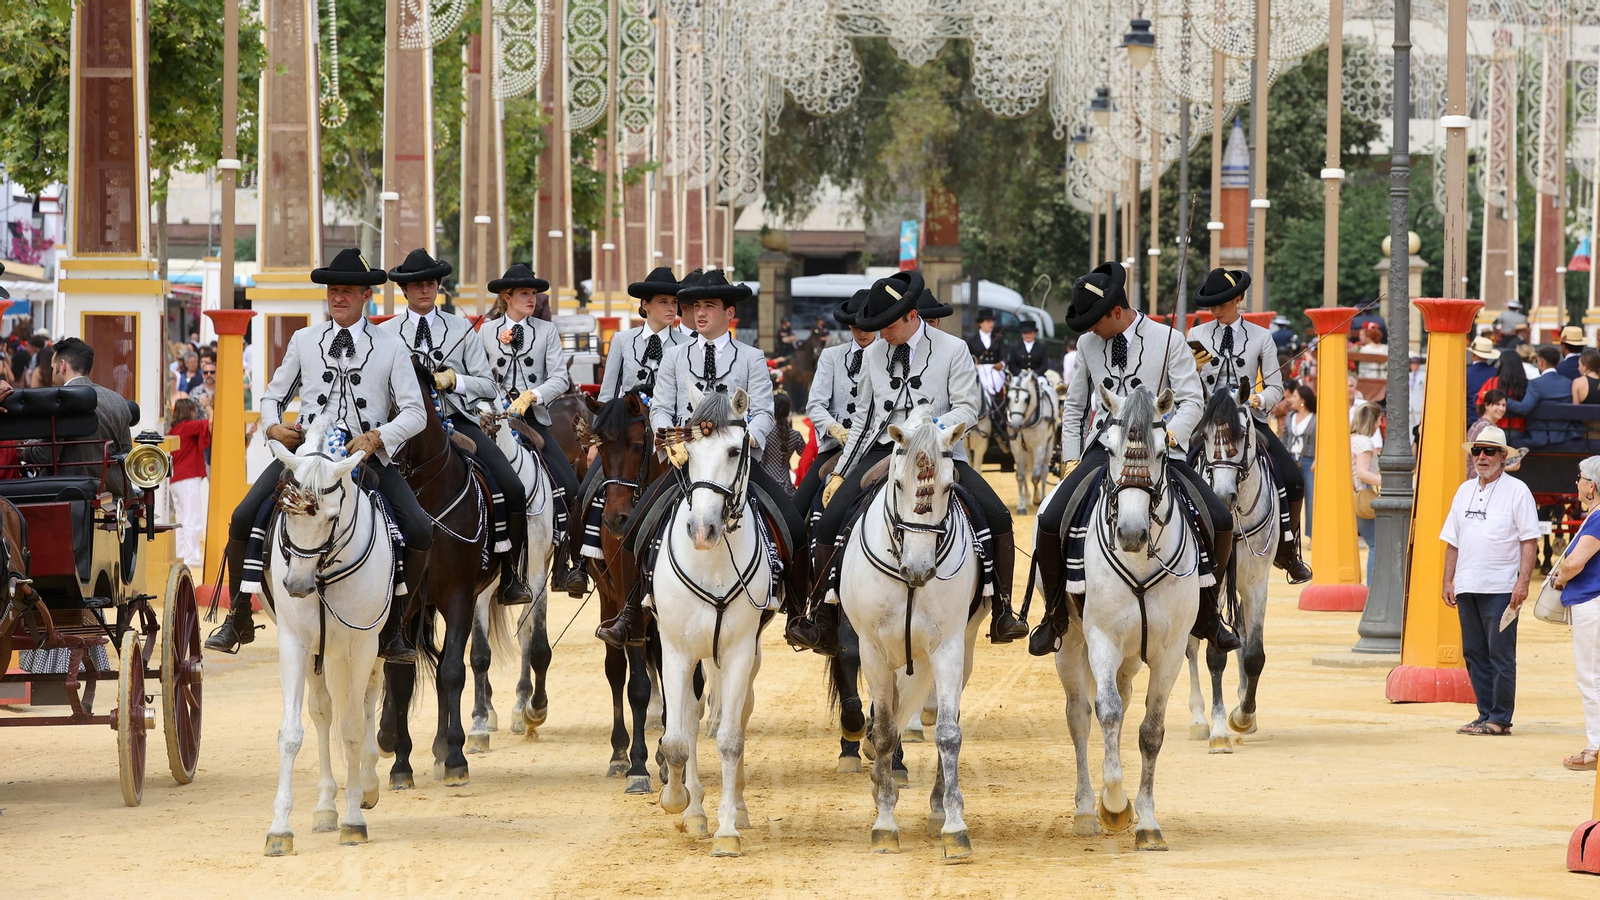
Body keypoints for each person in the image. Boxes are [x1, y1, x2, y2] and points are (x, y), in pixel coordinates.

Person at [206, 248, 431, 662]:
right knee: (242, 516)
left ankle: (396, 626)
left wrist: (377, 436)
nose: (338, 297)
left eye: (347, 290)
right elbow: (273, 395)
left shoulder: (392, 346)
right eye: (333, 290)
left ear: (366, 295)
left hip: (363, 460)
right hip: (306, 455)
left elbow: (416, 412)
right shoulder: (304, 340)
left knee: (418, 530)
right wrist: (273, 426)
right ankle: (238, 614)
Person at [787, 269, 1028, 654]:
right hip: (883, 451)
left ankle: (1003, 608)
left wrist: (929, 433)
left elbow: (969, 407)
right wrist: (841, 472)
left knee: (997, 516)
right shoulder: (873, 354)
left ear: (911, 316)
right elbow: (864, 420)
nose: (881, 333)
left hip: (941, 452)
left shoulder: (953, 349)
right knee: (829, 521)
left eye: (887, 325)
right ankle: (823, 613)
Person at [1031, 261, 1239, 657]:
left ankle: (1209, 612)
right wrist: (1072, 458)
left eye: (1095, 320)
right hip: (1104, 449)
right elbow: (1074, 408)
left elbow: (1193, 399)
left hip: (1160, 448)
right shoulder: (1087, 345)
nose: (1091, 329)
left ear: (1115, 311)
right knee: (1052, 517)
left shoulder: (1168, 339)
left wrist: (1171, 436)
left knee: (1220, 518)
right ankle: (1055, 613)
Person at [596, 270, 810, 648]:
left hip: (733, 460)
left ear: (730, 311)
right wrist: (669, 441)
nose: (699, 313)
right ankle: (631, 611)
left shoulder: (752, 357)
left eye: (709, 305)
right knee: (636, 527)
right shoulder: (676, 356)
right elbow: (661, 407)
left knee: (791, 521)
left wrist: (746, 440)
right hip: (686, 463)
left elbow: (762, 411)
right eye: (695, 305)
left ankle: (797, 612)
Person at [379, 248, 534, 605]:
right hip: (402, 427)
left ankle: (511, 573)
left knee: (510, 485)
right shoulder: (386, 333)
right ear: (405, 290)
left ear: (438, 287)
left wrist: (454, 381)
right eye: (417, 285)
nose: (425, 290)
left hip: (457, 419)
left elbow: (489, 385)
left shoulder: (460, 327)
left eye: (431, 283)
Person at [1187, 267, 1311, 581]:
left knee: (1294, 479)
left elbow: (1275, 389)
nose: (1215, 310)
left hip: (1249, 421)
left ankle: (1287, 549)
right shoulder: (1197, 336)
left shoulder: (1261, 337)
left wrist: (1256, 400)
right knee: (1179, 468)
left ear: (1238, 299)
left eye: (1223, 303)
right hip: (1208, 423)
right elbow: (1187, 383)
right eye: (1212, 304)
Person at [478, 263, 586, 596]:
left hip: (533, 420)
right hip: (493, 421)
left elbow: (560, 377)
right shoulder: (484, 332)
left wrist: (533, 395)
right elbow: (478, 377)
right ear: (506, 297)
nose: (533, 298)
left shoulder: (546, 331)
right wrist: (489, 406)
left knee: (570, 488)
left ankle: (567, 564)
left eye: (534, 293)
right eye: (525, 293)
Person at [1442, 425, 1538, 737]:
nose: (1482, 457)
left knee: (1501, 654)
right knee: (1474, 653)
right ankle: (1485, 713)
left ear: (1502, 456)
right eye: (1477, 451)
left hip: (1501, 588)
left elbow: (1529, 541)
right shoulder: (1463, 490)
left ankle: (1500, 718)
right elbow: (1452, 541)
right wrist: (1448, 580)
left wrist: (1522, 583)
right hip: (1468, 584)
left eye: (1489, 451)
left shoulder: (1517, 490)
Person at [795, 290, 876, 518]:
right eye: (855, 326)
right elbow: (815, 405)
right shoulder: (831, 356)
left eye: (867, 325)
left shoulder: (888, 356)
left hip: (873, 446)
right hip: (835, 445)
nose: (861, 332)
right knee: (796, 510)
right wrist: (835, 429)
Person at [22, 338, 132, 489]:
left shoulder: (58, 401)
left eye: (52, 368)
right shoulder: (118, 400)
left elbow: (45, 456)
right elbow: (126, 452)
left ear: (63, 366)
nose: (52, 375)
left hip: (70, 492)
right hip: (113, 490)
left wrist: (24, 448)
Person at [1553, 456, 1600, 770]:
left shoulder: (1597, 518)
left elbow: (1573, 563)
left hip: (1591, 602)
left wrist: (1561, 578)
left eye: (1581, 478)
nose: (1577, 483)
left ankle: (1595, 747)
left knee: (1590, 677)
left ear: (1592, 485)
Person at [167, 398, 210, 571]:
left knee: (182, 519)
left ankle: (181, 555)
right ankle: (191, 559)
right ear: (189, 412)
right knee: (193, 518)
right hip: (187, 477)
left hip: (176, 479)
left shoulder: (174, 429)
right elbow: (211, 423)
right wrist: (208, 406)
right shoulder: (188, 426)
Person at [1505, 344, 1577, 446]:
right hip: (1564, 436)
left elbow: (1524, 408)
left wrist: (1503, 400)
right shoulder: (1568, 383)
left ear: (1541, 362)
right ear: (1557, 363)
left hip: (1539, 437)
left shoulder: (1535, 384)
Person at [1351, 402, 1383, 586]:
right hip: (1363, 494)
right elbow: (1363, 473)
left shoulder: (1352, 439)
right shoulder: (1365, 443)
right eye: (1379, 420)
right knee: (1375, 544)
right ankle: (1373, 589)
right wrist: (1388, 482)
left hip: (1353, 493)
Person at [1284, 384, 1316, 538]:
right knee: (1289, 499)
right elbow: (1284, 439)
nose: (1291, 399)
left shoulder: (1315, 418)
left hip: (1309, 462)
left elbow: (1321, 441)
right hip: (1290, 459)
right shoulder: (1290, 416)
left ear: (1303, 400)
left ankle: (1311, 535)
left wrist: (1317, 459)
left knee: (1310, 500)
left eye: (1295, 396)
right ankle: (1290, 534)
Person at [761, 391, 807, 493]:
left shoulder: (765, 433)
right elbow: (806, 457)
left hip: (764, 485)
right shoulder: (795, 435)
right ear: (788, 410)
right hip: (786, 487)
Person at [1478, 349, 1529, 436]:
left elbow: (1479, 402)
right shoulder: (1526, 384)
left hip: (1494, 429)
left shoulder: (1492, 382)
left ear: (1500, 364)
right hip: (1518, 430)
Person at [966, 308, 1007, 413]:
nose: (991, 324)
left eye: (992, 321)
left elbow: (1004, 357)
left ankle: (999, 412)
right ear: (981, 323)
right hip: (979, 370)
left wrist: (1001, 364)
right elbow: (967, 357)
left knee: (997, 384)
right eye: (988, 321)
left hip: (995, 369)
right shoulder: (971, 340)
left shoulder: (998, 338)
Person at [1466, 336, 1501, 426]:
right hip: (1491, 422)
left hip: (1469, 420)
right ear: (1487, 357)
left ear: (1473, 355)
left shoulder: (1464, 373)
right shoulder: (1496, 373)